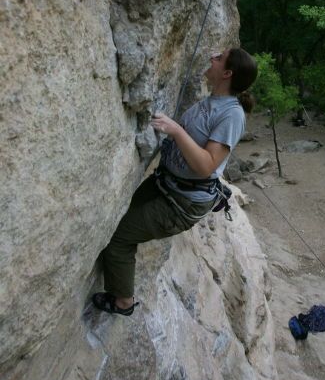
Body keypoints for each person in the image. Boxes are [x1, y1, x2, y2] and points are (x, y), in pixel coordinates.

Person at [92, 47, 257, 316]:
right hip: (167, 184)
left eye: (218, 58)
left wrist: (176, 130)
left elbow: (206, 165)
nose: (212, 57)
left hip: (182, 202)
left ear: (227, 73)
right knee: (116, 217)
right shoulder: (213, 100)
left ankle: (124, 303)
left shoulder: (232, 115)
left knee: (118, 238)